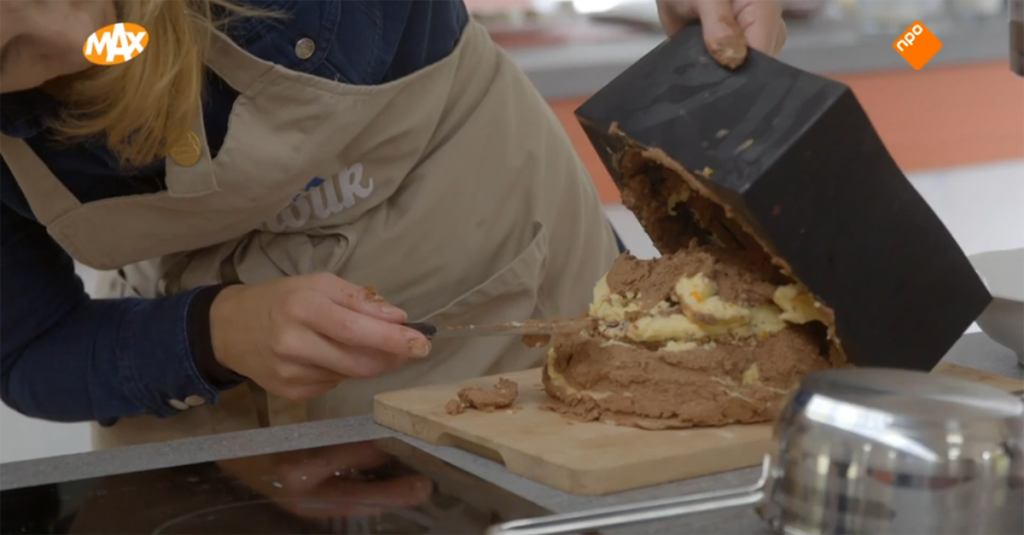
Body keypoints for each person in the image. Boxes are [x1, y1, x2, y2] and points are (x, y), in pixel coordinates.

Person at [0, 0, 787, 449]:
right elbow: (27, 346)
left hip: (495, 275)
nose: (87, 41)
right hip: (203, 413)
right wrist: (209, 335)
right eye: (7, 53)